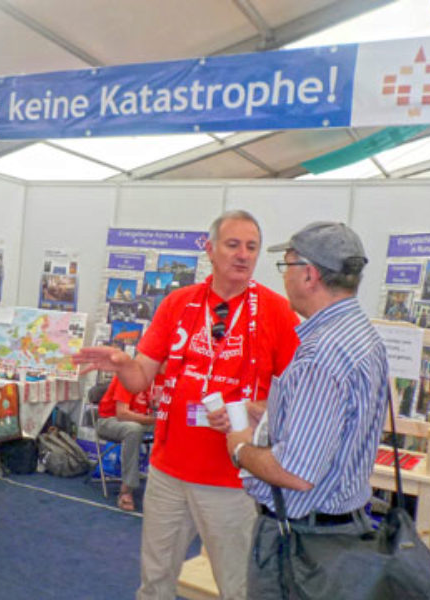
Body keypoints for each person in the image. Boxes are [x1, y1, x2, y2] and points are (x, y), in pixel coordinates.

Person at [73, 210, 300, 600]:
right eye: (233, 245)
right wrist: (123, 365)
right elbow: (143, 375)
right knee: (155, 582)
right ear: (210, 250)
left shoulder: (276, 311)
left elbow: (296, 395)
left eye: (251, 247)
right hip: (168, 472)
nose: (243, 255)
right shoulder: (179, 303)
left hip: (232, 479)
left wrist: (249, 410)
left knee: (239, 588)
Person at [225, 222, 388, 600]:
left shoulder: (321, 353)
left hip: (303, 543)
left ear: (310, 275)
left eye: (287, 267)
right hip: (341, 535)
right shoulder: (361, 335)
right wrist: (267, 415)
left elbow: (295, 473)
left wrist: (240, 448)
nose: (284, 279)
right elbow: (340, 423)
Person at [95, 376, 155, 511]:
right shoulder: (128, 375)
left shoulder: (165, 378)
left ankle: (174, 488)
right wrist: (155, 420)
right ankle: (127, 489)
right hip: (110, 420)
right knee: (133, 429)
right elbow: (122, 414)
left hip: (143, 420)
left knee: (175, 427)